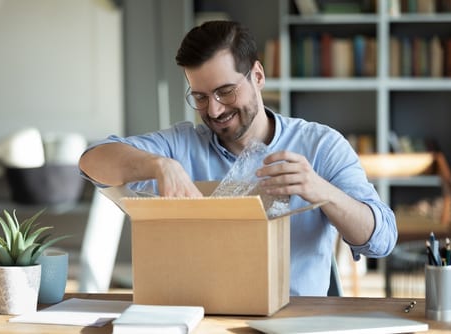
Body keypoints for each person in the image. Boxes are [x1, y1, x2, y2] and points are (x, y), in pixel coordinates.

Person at [79, 20, 397, 296]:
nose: (214, 110)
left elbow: (381, 240)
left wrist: (322, 191)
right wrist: (159, 165)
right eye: (200, 97)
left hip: (295, 318)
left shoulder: (320, 145)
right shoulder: (181, 145)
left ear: (257, 76)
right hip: (202, 317)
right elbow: (91, 162)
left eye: (226, 91)